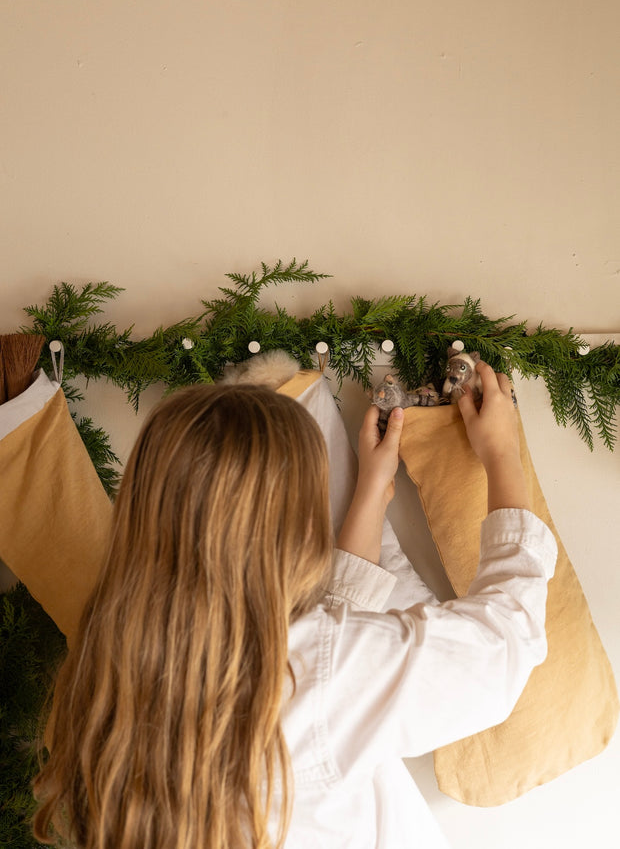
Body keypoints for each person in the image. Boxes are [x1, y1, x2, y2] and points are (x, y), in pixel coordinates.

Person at [32, 362, 557, 849]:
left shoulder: (103, 675)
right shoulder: (308, 677)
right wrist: (502, 454)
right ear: (287, 530)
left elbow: (321, 644)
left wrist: (372, 490)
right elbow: (503, 640)